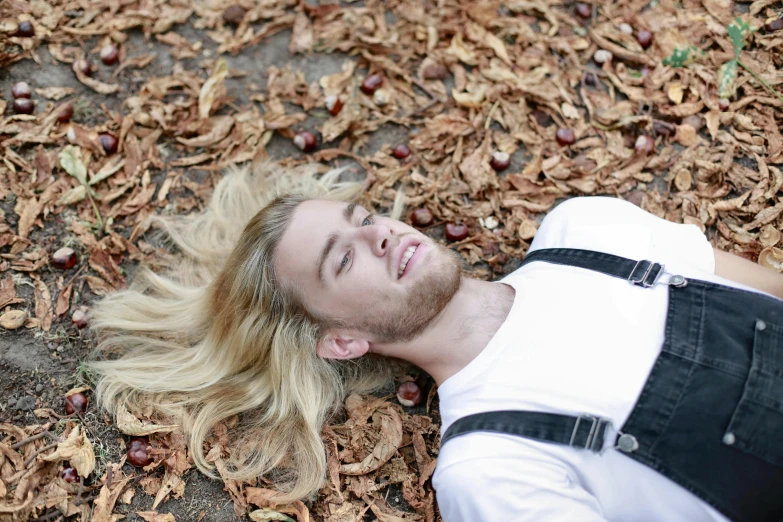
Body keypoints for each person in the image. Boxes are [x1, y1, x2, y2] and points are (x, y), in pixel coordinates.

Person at [87, 162, 783, 521]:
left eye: (361, 217)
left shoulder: (587, 233)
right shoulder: (489, 464)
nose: (380, 233)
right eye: (343, 258)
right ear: (341, 342)